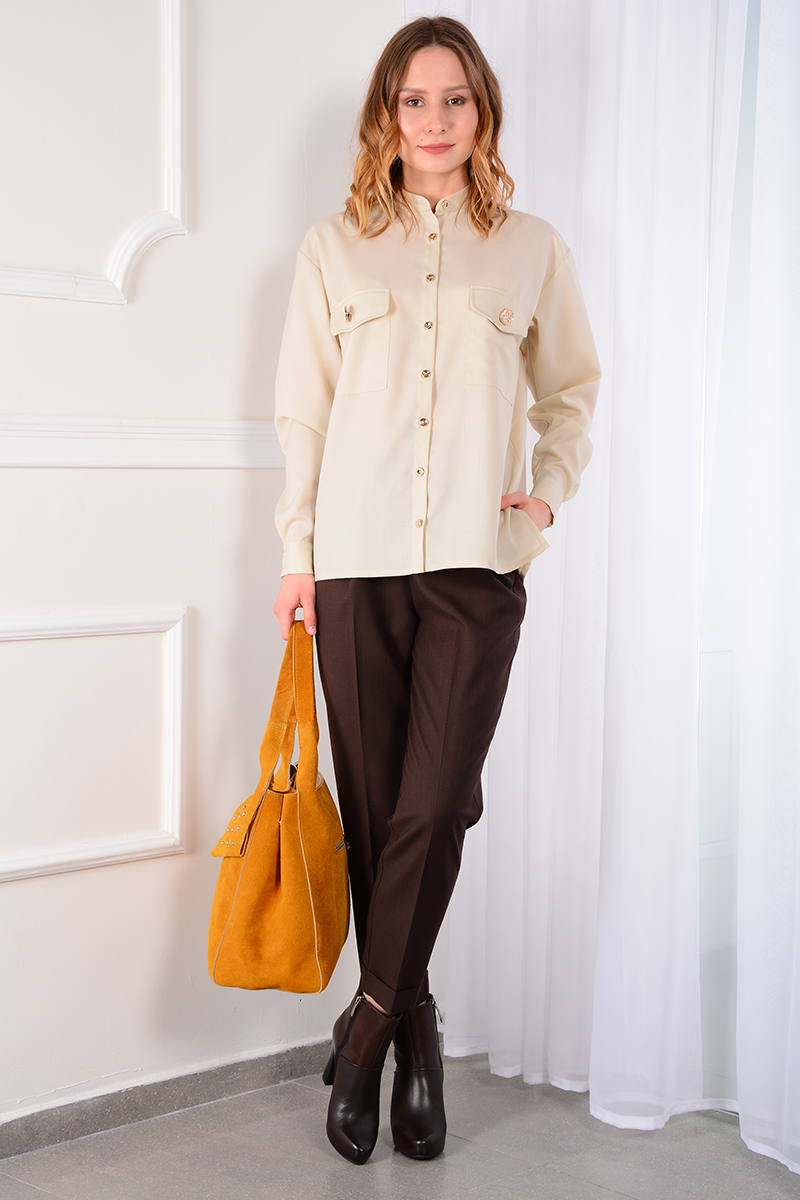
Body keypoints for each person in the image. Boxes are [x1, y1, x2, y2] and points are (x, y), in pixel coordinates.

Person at [272, 16, 600, 1165]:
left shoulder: (531, 248)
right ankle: (417, 1031)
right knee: (376, 814)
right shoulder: (333, 247)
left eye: (454, 99)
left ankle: (364, 1029)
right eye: (413, 100)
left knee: (436, 802)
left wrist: (542, 497)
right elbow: (302, 409)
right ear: (386, 114)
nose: (434, 120)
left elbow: (571, 389)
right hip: (354, 565)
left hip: (476, 564)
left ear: (482, 111)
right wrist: (296, 552)